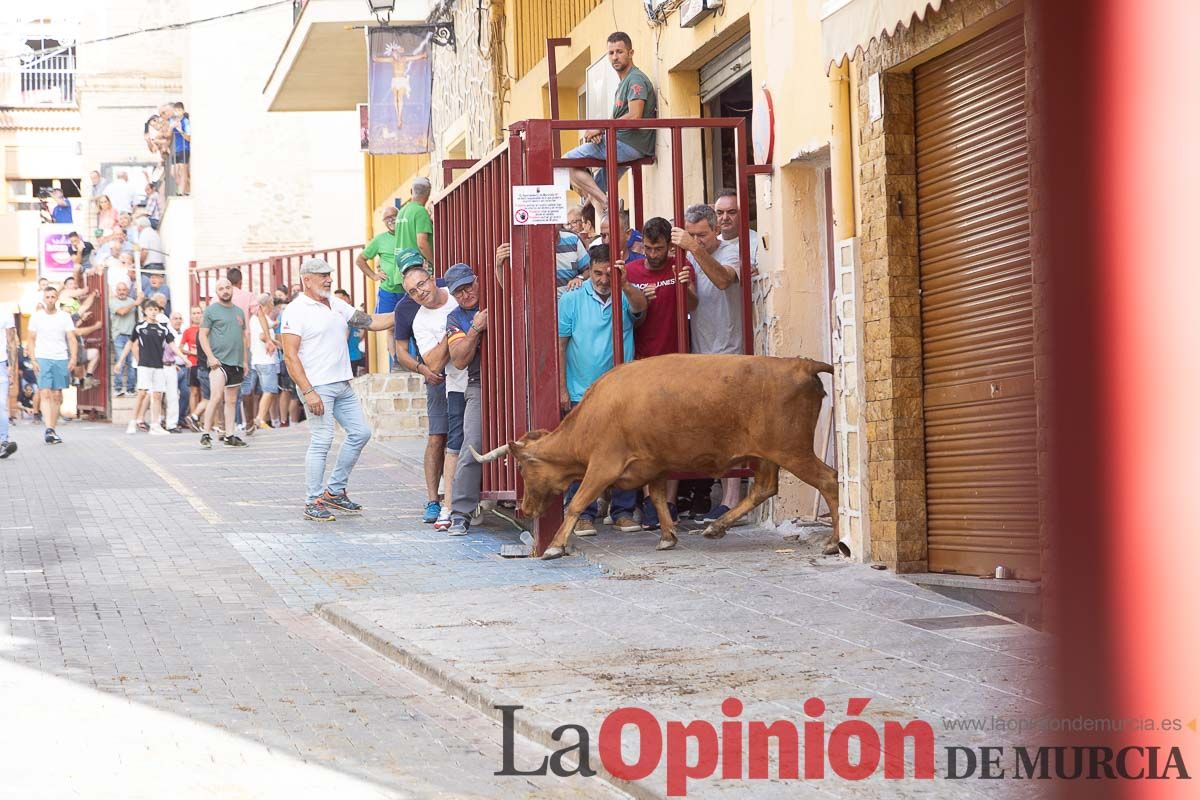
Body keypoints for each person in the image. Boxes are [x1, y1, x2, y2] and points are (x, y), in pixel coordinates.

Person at [280, 257, 394, 521]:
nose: (329, 279)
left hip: (342, 383)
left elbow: (370, 322)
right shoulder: (297, 310)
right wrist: (308, 391)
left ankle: (334, 491)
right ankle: (312, 500)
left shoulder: (335, 303)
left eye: (329, 274)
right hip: (317, 385)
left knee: (361, 433)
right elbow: (290, 356)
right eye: (322, 275)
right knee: (322, 440)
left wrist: (408, 309)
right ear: (306, 279)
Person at [556, 245, 647, 534]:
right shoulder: (570, 300)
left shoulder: (624, 294)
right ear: (589, 270)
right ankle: (583, 511)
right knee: (579, 453)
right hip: (581, 388)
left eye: (609, 274)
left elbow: (642, 308)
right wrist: (561, 389)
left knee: (625, 450)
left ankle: (622, 510)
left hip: (621, 391)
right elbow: (561, 345)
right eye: (598, 273)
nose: (604, 279)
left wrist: (626, 284)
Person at [674, 202, 747, 523]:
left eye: (701, 234)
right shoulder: (689, 258)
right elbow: (692, 303)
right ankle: (713, 494)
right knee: (714, 431)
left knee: (732, 429)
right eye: (691, 235)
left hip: (731, 355)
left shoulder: (731, 252)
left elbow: (722, 281)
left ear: (715, 230)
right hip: (700, 356)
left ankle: (733, 499)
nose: (696, 240)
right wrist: (684, 287)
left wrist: (693, 250)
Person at [624, 216, 698, 528]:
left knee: (673, 434)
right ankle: (648, 500)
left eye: (659, 249)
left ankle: (668, 500)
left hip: (676, 361)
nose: (653, 255)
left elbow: (693, 305)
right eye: (649, 248)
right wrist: (639, 300)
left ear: (669, 247)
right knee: (644, 435)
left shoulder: (679, 267)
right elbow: (625, 316)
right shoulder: (631, 271)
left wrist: (685, 287)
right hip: (642, 362)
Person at [404, 262, 468, 532]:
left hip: (479, 379)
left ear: (432, 279)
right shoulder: (420, 321)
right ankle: (441, 501)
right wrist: (453, 330)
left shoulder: (456, 294)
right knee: (446, 440)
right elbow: (434, 363)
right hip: (452, 383)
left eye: (422, 284)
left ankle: (467, 500)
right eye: (413, 291)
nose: (420, 292)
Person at [564, 32, 657, 212]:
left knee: (568, 161)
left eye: (620, 52)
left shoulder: (635, 79)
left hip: (628, 144)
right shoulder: (623, 82)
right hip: (623, 143)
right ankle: (611, 218)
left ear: (631, 53)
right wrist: (602, 133)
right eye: (611, 53)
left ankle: (608, 203)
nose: (615, 57)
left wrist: (601, 128)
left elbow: (635, 115)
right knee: (595, 188)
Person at [391, 250, 451, 524]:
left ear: (427, 269)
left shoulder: (449, 289)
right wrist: (422, 369)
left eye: (420, 278)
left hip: (464, 372)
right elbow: (400, 352)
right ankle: (432, 499)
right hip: (434, 376)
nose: (419, 291)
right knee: (437, 436)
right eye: (410, 284)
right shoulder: (406, 307)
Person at [444, 264, 487, 536]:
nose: (466, 294)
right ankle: (460, 513)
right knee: (472, 445)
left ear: (478, 281)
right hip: (478, 383)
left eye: (468, 286)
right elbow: (459, 359)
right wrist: (475, 329)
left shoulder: (496, 298)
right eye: (458, 291)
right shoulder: (455, 317)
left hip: (516, 380)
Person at [198, 278, 249, 449]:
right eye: (221, 288)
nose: (225, 291)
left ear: (232, 289)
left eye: (228, 287)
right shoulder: (211, 311)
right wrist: (210, 357)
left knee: (232, 400)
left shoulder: (239, 312)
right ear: (216, 292)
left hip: (236, 362)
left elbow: (243, 337)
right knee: (216, 396)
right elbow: (202, 335)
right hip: (218, 362)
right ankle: (205, 434)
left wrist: (245, 361)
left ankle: (230, 435)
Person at [28, 285, 77, 444]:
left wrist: (73, 357)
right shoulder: (36, 317)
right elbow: (31, 340)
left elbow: (71, 338)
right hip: (43, 357)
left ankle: (53, 429)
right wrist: (33, 359)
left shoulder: (64, 317)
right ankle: (48, 428)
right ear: (44, 299)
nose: (50, 300)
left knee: (57, 395)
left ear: (57, 299)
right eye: (47, 297)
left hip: (60, 357)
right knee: (45, 392)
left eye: (53, 297)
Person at [356, 205, 402, 366]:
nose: (391, 220)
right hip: (388, 290)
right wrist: (374, 276)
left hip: (409, 290)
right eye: (387, 218)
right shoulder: (380, 239)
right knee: (390, 327)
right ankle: (396, 363)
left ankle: (415, 361)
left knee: (412, 324)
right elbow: (360, 260)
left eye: (394, 216)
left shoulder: (407, 234)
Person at [126, 299, 173, 436]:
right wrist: (121, 361)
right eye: (150, 310)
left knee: (158, 395)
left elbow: (172, 344)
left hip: (158, 365)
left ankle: (155, 425)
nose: (153, 312)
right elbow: (131, 344)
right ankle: (133, 422)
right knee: (142, 393)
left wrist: (183, 358)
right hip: (144, 365)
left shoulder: (163, 328)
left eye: (155, 310)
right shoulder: (140, 327)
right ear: (145, 311)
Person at [249, 293, 281, 431]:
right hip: (265, 359)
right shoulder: (258, 319)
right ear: (266, 304)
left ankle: (261, 418)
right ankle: (260, 419)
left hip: (261, 359)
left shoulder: (260, 318)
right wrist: (274, 342)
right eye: (272, 302)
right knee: (269, 391)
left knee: (268, 391)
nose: (273, 305)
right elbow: (262, 336)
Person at [714, 188, 762, 273]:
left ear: (742, 213)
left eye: (731, 212)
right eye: (720, 213)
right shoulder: (712, 243)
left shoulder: (758, 242)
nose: (725, 218)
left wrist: (757, 273)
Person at [396, 177, 435, 264]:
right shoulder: (420, 211)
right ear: (428, 193)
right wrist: (434, 262)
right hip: (415, 269)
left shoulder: (401, 212)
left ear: (411, 191)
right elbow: (422, 243)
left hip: (401, 269)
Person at [181, 305, 207, 428]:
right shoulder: (187, 331)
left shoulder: (206, 329)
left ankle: (203, 420)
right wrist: (191, 352)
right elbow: (180, 348)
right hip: (193, 364)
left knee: (205, 393)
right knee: (194, 392)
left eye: (198, 313)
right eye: (194, 313)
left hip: (204, 364)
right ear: (191, 316)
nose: (197, 315)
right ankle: (193, 418)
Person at [335, 290, 366, 376]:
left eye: (341, 299)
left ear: (348, 299)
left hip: (349, 357)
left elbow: (344, 338)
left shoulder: (346, 316)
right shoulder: (350, 316)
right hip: (353, 356)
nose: (339, 302)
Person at [1, 311, 17, 459]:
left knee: (1, 404)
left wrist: (11, 367)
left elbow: (11, 341)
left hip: (1, 365)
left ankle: (3, 442)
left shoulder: (4, 313)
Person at [171, 102, 191, 195]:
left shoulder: (185, 121)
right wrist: (171, 127)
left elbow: (188, 138)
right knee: (173, 172)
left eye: (179, 110)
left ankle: (181, 191)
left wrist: (180, 130)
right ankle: (185, 189)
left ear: (183, 111)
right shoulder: (173, 120)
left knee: (183, 170)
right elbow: (168, 133)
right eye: (175, 110)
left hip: (185, 147)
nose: (177, 112)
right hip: (176, 149)